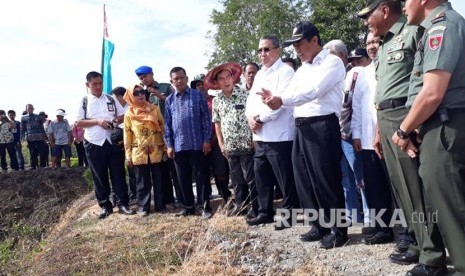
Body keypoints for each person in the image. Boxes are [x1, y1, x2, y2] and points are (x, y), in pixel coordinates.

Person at [358, 0, 446, 269]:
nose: (365, 23)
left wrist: (412, 125)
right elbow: (383, 90)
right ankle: (418, 243)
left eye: (367, 16)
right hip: (385, 118)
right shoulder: (384, 43)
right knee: (402, 190)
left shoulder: (413, 32)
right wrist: (377, 130)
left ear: (384, 10)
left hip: (404, 117)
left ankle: (433, 255)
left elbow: (421, 81)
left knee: (416, 189)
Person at [260, 21, 348, 249]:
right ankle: (318, 225)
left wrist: (282, 100)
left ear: (315, 40)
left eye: (300, 43)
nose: (296, 49)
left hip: (322, 125)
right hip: (301, 126)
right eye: (293, 45)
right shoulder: (302, 69)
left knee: (326, 179)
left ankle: (338, 230)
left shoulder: (332, 62)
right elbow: (290, 93)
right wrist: (275, 98)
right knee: (304, 178)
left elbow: (314, 91)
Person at [393, 0, 465, 275]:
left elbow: (433, 93)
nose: (404, 5)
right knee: (447, 209)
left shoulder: (442, 26)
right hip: (436, 125)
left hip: (445, 127)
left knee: (455, 212)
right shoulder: (433, 29)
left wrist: (403, 130)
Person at [245, 35, 299, 230]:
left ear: (277, 50)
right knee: (262, 177)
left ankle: (288, 215)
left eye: (266, 49)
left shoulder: (286, 71)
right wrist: (251, 118)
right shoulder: (259, 74)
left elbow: (279, 104)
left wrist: (259, 119)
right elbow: (250, 102)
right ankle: (264, 212)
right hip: (261, 136)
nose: (262, 54)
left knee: (285, 179)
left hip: (279, 135)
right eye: (260, 50)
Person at [351, 32, 395, 245]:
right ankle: (382, 229)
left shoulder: (392, 67)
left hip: (390, 137)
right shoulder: (362, 73)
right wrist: (356, 134)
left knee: (395, 188)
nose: (371, 46)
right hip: (368, 141)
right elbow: (357, 107)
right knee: (375, 188)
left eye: (375, 41)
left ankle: (405, 233)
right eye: (368, 43)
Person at [75, 71, 135, 219]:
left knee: (118, 173)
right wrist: (97, 121)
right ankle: (105, 206)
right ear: (87, 85)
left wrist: (115, 122)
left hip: (112, 140)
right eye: (94, 84)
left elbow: (123, 115)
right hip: (94, 142)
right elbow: (78, 122)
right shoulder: (84, 101)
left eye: (100, 83)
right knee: (99, 176)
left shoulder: (111, 98)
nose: (98, 86)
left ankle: (123, 204)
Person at [324, 40, 370, 227]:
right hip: (335, 133)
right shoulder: (328, 75)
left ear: (341, 56)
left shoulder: (356, 74)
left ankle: (369, 217)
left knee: (360, 176)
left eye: (329, 55)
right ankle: (353, 215)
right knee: (345, 177)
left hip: (352, 134)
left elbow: (355, 107)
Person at [204, 62, 258, 219]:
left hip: (247, 144)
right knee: (236, 179)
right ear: (217, 82)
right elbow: (217, 123)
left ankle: (256, 206)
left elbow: (253, 117)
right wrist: (221, 143)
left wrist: (254, 138)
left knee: (251, 178)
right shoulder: (217, 100)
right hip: (230, 146)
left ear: (233, 78)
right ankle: (241, 205)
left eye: (228, 77)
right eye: (221, 78)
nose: (226, 80)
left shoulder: (244, 95)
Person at [164, 67, 212, 218]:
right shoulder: (169, 100)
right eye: (175, 79)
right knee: (182, 178)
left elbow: (206, 119)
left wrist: (207, 140)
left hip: (198, 144)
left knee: (201, 177)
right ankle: (187, 207)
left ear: (186, 78)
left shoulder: (197, 95)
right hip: (178, 146)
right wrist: (169, 144)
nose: (179, 81)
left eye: (181, 77)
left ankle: (204, 207)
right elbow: (167, 124)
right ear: (172, 81)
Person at [136, 65, 178, 206]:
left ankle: (182, 198)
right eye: (141, 78)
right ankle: (167, 199)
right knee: (162, 171)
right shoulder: (140, 93)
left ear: (152, 74)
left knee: (175, 169)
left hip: (171, 132)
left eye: (146, 76)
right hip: (154, 138)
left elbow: (176, 102)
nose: (144, 79)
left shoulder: (166, 87)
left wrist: (158, 95)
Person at [123, 84, 166, 217]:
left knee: (159, 180)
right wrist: (128, 155)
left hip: (156, 150)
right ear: (130, 96)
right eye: (136, 93)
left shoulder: (154, 109)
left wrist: (165, 147)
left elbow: (163, 127)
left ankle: (160, 205)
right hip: (138, 151)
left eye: (142, 92)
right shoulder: (129, 113)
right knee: (142, 182)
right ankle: (143, 207)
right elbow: (127, 134)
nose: (140, 95)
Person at [190, 73, 231, 204]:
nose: (201, 87)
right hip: (199, 143)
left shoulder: (216, 100)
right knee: (202, 173)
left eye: (203, 84)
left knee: (221, 171)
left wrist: (214, 139)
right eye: (197, 85)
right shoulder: (191, 103)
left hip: (216, 140)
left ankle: (226, 197)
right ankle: (205, 201)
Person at [21, 104, 48, 169]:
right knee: (32, 153)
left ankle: (42, 165)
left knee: (42, 152)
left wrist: (45, 136)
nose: (30, 109)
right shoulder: (23, 118)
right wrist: (22, 137)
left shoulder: (38, 116)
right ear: (26, 109)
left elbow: (41, 127)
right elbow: (23, 128)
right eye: (28, 108)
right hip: (30, 138)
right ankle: (33, 166)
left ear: (33, 109)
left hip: (40, 137)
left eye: (31, 108)